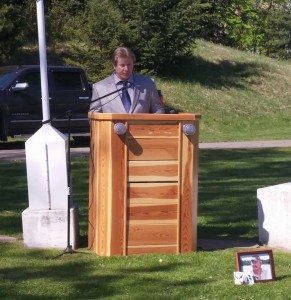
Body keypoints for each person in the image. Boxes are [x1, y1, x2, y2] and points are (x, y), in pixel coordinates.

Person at [89, 46, 165, 114]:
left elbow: (158, 110)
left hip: (141, 129)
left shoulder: (147, 84)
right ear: (114, 66)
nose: (126, 69)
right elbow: (93, 116)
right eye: (122, 65)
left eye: (129, 65)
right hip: (112, 129)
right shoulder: (99, 88)